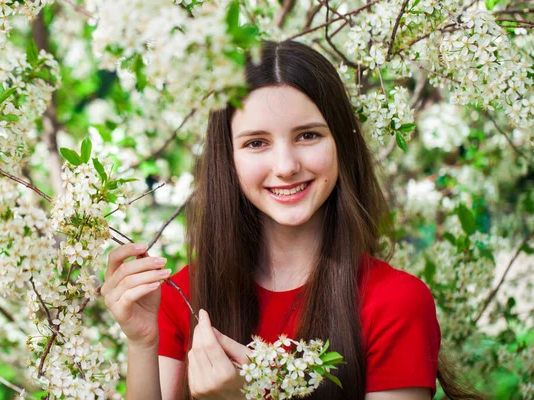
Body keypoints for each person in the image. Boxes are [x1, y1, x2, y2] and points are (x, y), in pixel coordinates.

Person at [101, 40, 482, 400]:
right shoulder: (180, 297)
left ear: (341, 144)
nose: (285, 166)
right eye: (256, 143)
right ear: (227, 159)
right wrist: (141, 343)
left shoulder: (396, 303)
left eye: (308, 136)